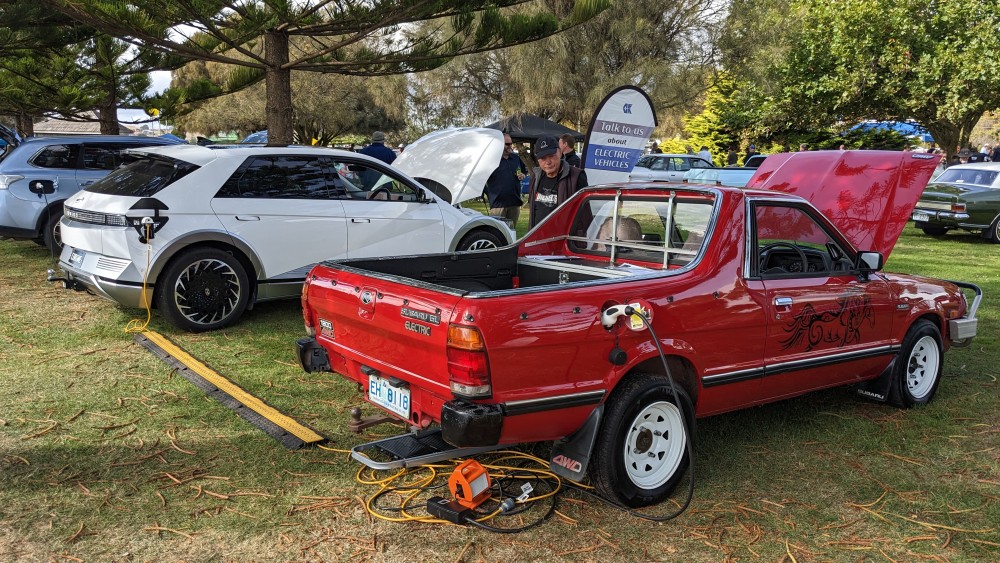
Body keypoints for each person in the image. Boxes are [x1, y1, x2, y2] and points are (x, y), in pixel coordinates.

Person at [528, 135, 588, 228]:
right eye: (543, 158)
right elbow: (533, 213)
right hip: (537, 239)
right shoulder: (535, 177)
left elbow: (585, 216)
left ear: (560, 152)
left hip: (563, 240)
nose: (548, 162)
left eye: (551, 156)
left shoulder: (576, 176)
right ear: (538, 159)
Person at [483, 133, 528, 227]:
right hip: (498, 205)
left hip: (514, 203)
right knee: (498, 233)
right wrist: (489, 194)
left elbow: (524, 171)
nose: (510, 146)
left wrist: (522, 175)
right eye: (507, 144)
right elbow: (482, 178)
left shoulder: (516, 158)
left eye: (511, 144)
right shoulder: (491, 159)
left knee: (511, 232)